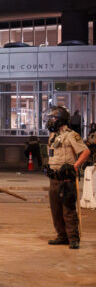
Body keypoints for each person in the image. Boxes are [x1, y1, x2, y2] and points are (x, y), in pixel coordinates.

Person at [44, 106, 90, 250]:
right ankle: (61, 236)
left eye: (53, 118)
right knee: (55, 210)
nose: (50, 121)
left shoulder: (71, 135)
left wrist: (75, 166)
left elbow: (85, 151)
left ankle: (73, 238)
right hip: (54, 178)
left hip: (66, 179)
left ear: (60, 120)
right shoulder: (52, 136)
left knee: (68, 210)